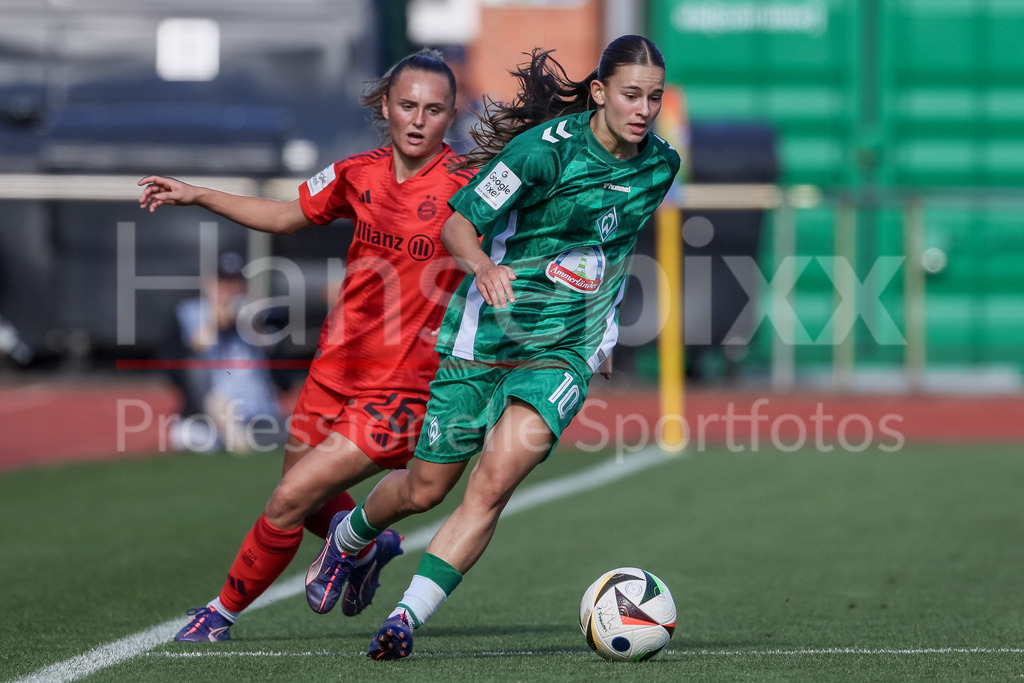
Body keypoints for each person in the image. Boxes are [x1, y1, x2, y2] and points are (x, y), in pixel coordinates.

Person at [300, 35, 681, 659]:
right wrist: (481, 267)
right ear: (600, 93)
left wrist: (599, 329)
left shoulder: (660, 165)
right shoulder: (540, 155)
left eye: (654, 98)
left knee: (494, 482)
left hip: (563, 352)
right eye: (631, 95)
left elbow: (613, 244)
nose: (643, 109)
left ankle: (404, 620)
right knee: (425, 488)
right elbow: (458, 223)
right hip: (483, 338)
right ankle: (349, 536)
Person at [138, 48, 476, 642]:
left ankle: (218, 614)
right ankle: (366, 552)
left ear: (452, 115)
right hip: (332, 369)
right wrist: (199, 194)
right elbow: (286, 214)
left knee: (288, 499)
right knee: (307, 497)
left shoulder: (470, 188)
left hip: (401, 385)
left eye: (434, 109)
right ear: (386, 108)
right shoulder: (357, 172)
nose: (419, 120)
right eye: (407, 106)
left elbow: (532, 239)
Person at [163, 251, 287, 454]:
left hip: (260, 418)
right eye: (223, 282)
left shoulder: (258, 318)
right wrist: (213, 325)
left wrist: (257, 328)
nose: (229, 290)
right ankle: (235, 437)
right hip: (210, 418)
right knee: (191, 432)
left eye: (235, 283)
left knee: (302, 431)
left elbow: (285, 378)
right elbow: (173, 370)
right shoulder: (189, 313)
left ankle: (244, 440)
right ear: (208, 284)